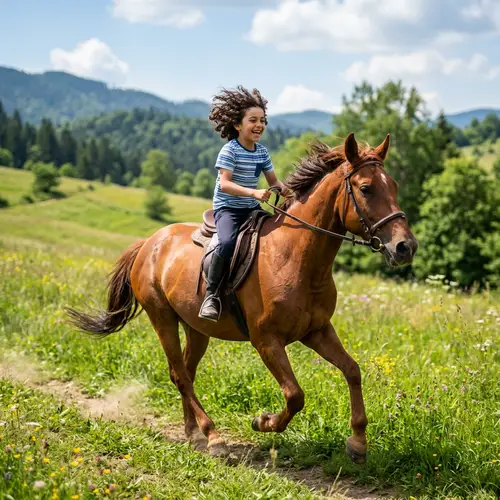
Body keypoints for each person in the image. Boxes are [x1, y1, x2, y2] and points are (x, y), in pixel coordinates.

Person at [198, 86, 288, 322]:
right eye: (253, 120)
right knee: (227, 243)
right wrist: (254, 193)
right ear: (238, 125)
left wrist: (290, 192)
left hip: (251, 208)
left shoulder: (262, 152)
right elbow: (225, 184)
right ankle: (212, 296)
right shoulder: (230, 151)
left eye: (263, 120)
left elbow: (274, 182)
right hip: (228, 208)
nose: (259, 125)